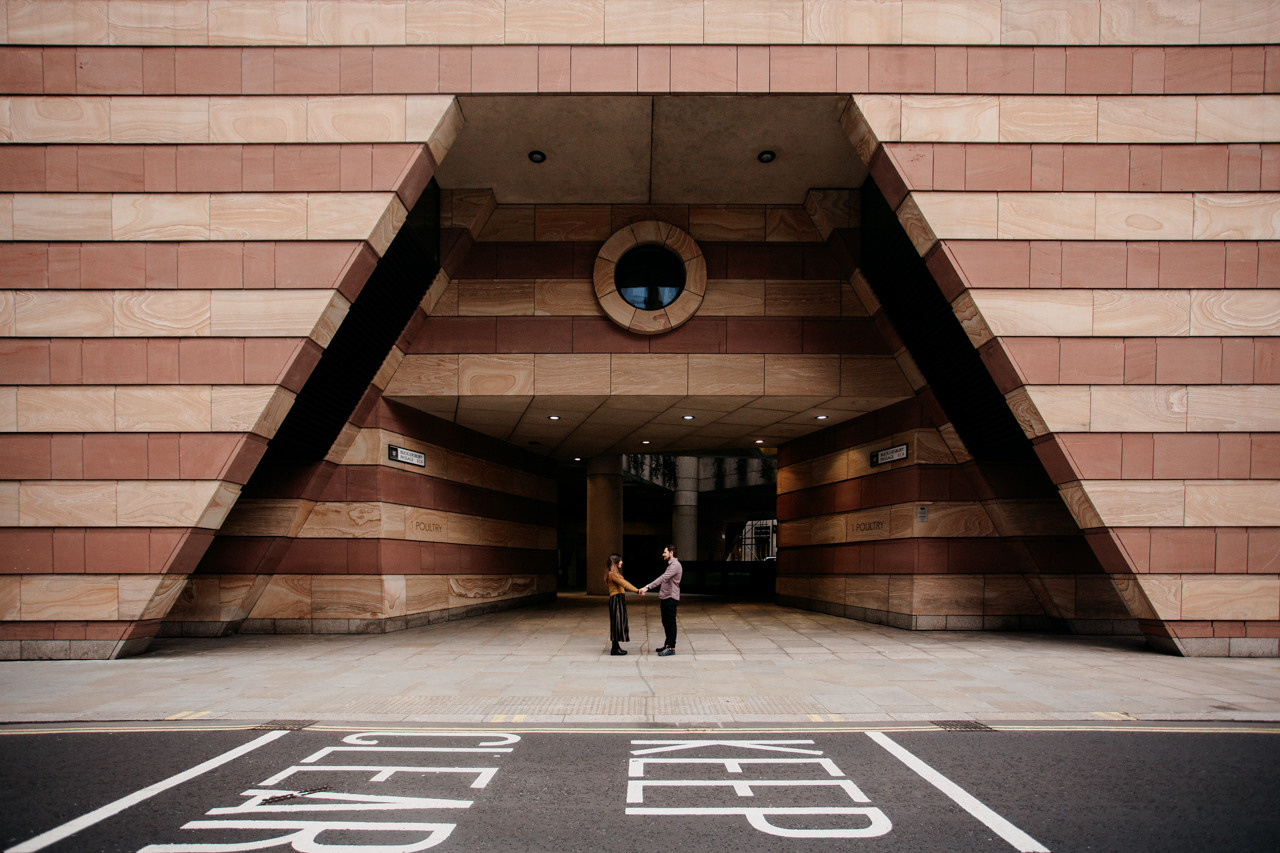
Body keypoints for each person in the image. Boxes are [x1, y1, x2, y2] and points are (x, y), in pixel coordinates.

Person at [639, 545, 682, 656]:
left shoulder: (675, 565)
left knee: (670, 623)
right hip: (665, 597)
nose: (663, 554)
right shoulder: (670, 565)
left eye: (665, 552)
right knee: (665, 622)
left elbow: (663, 578)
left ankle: (671, 648)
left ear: (671, 553)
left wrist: (647, 587)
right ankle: (667, 644)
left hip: (671, 598)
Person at [605, 553, 640, 656]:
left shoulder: (614, 573)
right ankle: (614, 649)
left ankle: (615, 647)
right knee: (616, 623)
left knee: (618, 623)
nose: (622, 562)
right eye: (620, 560)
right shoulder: (612, 574)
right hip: (616, 599)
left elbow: (623, 582)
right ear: (615, 563)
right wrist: (637, 591)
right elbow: (624, 584)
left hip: (618, 599)